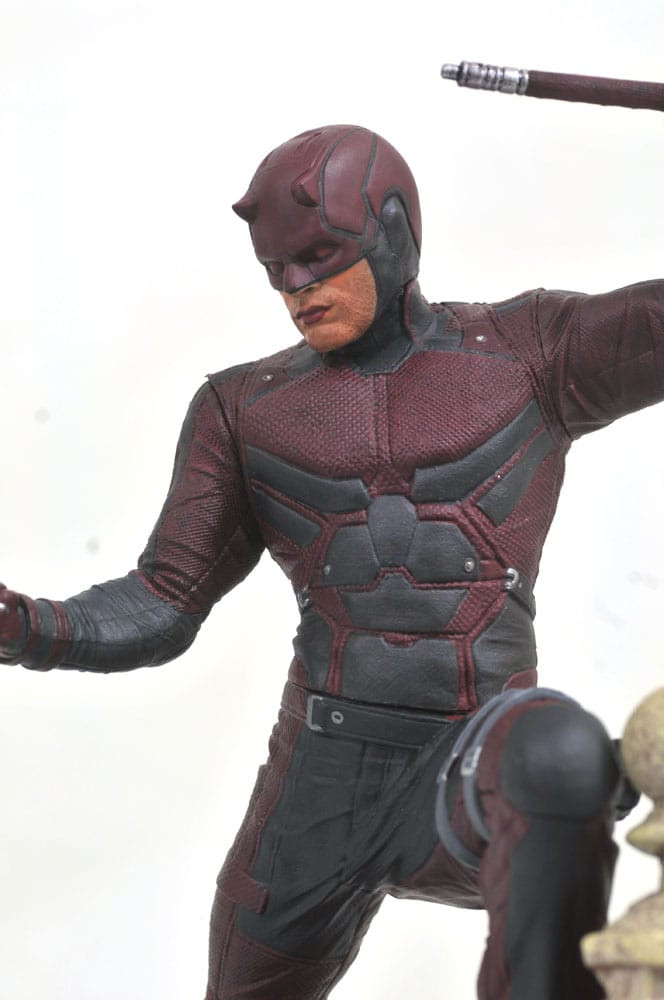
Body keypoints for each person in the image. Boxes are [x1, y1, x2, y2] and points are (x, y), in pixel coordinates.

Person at [0, 124, 661, 999]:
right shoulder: (243, 408)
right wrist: (25, 626)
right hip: (320, 781)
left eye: (318, 256)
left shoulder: (528, 353)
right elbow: (163, 600)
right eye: (277, 268)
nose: (297, 287)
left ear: (393, 230)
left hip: (472, 762)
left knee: (562, 755)